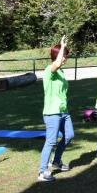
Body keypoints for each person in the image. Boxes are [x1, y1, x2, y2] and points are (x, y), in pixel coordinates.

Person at [38, 36, 74, 182]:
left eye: (66, 55)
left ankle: (56, 161)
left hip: (64, 111)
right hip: (52, 112)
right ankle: (42, 172)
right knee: (51, 141)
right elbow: (57, 63)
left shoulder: (62, 72)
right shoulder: (49, 70)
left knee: (69, 135)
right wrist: (63, 46)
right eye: (64, 55)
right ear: (56, 55)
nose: (65, 58)